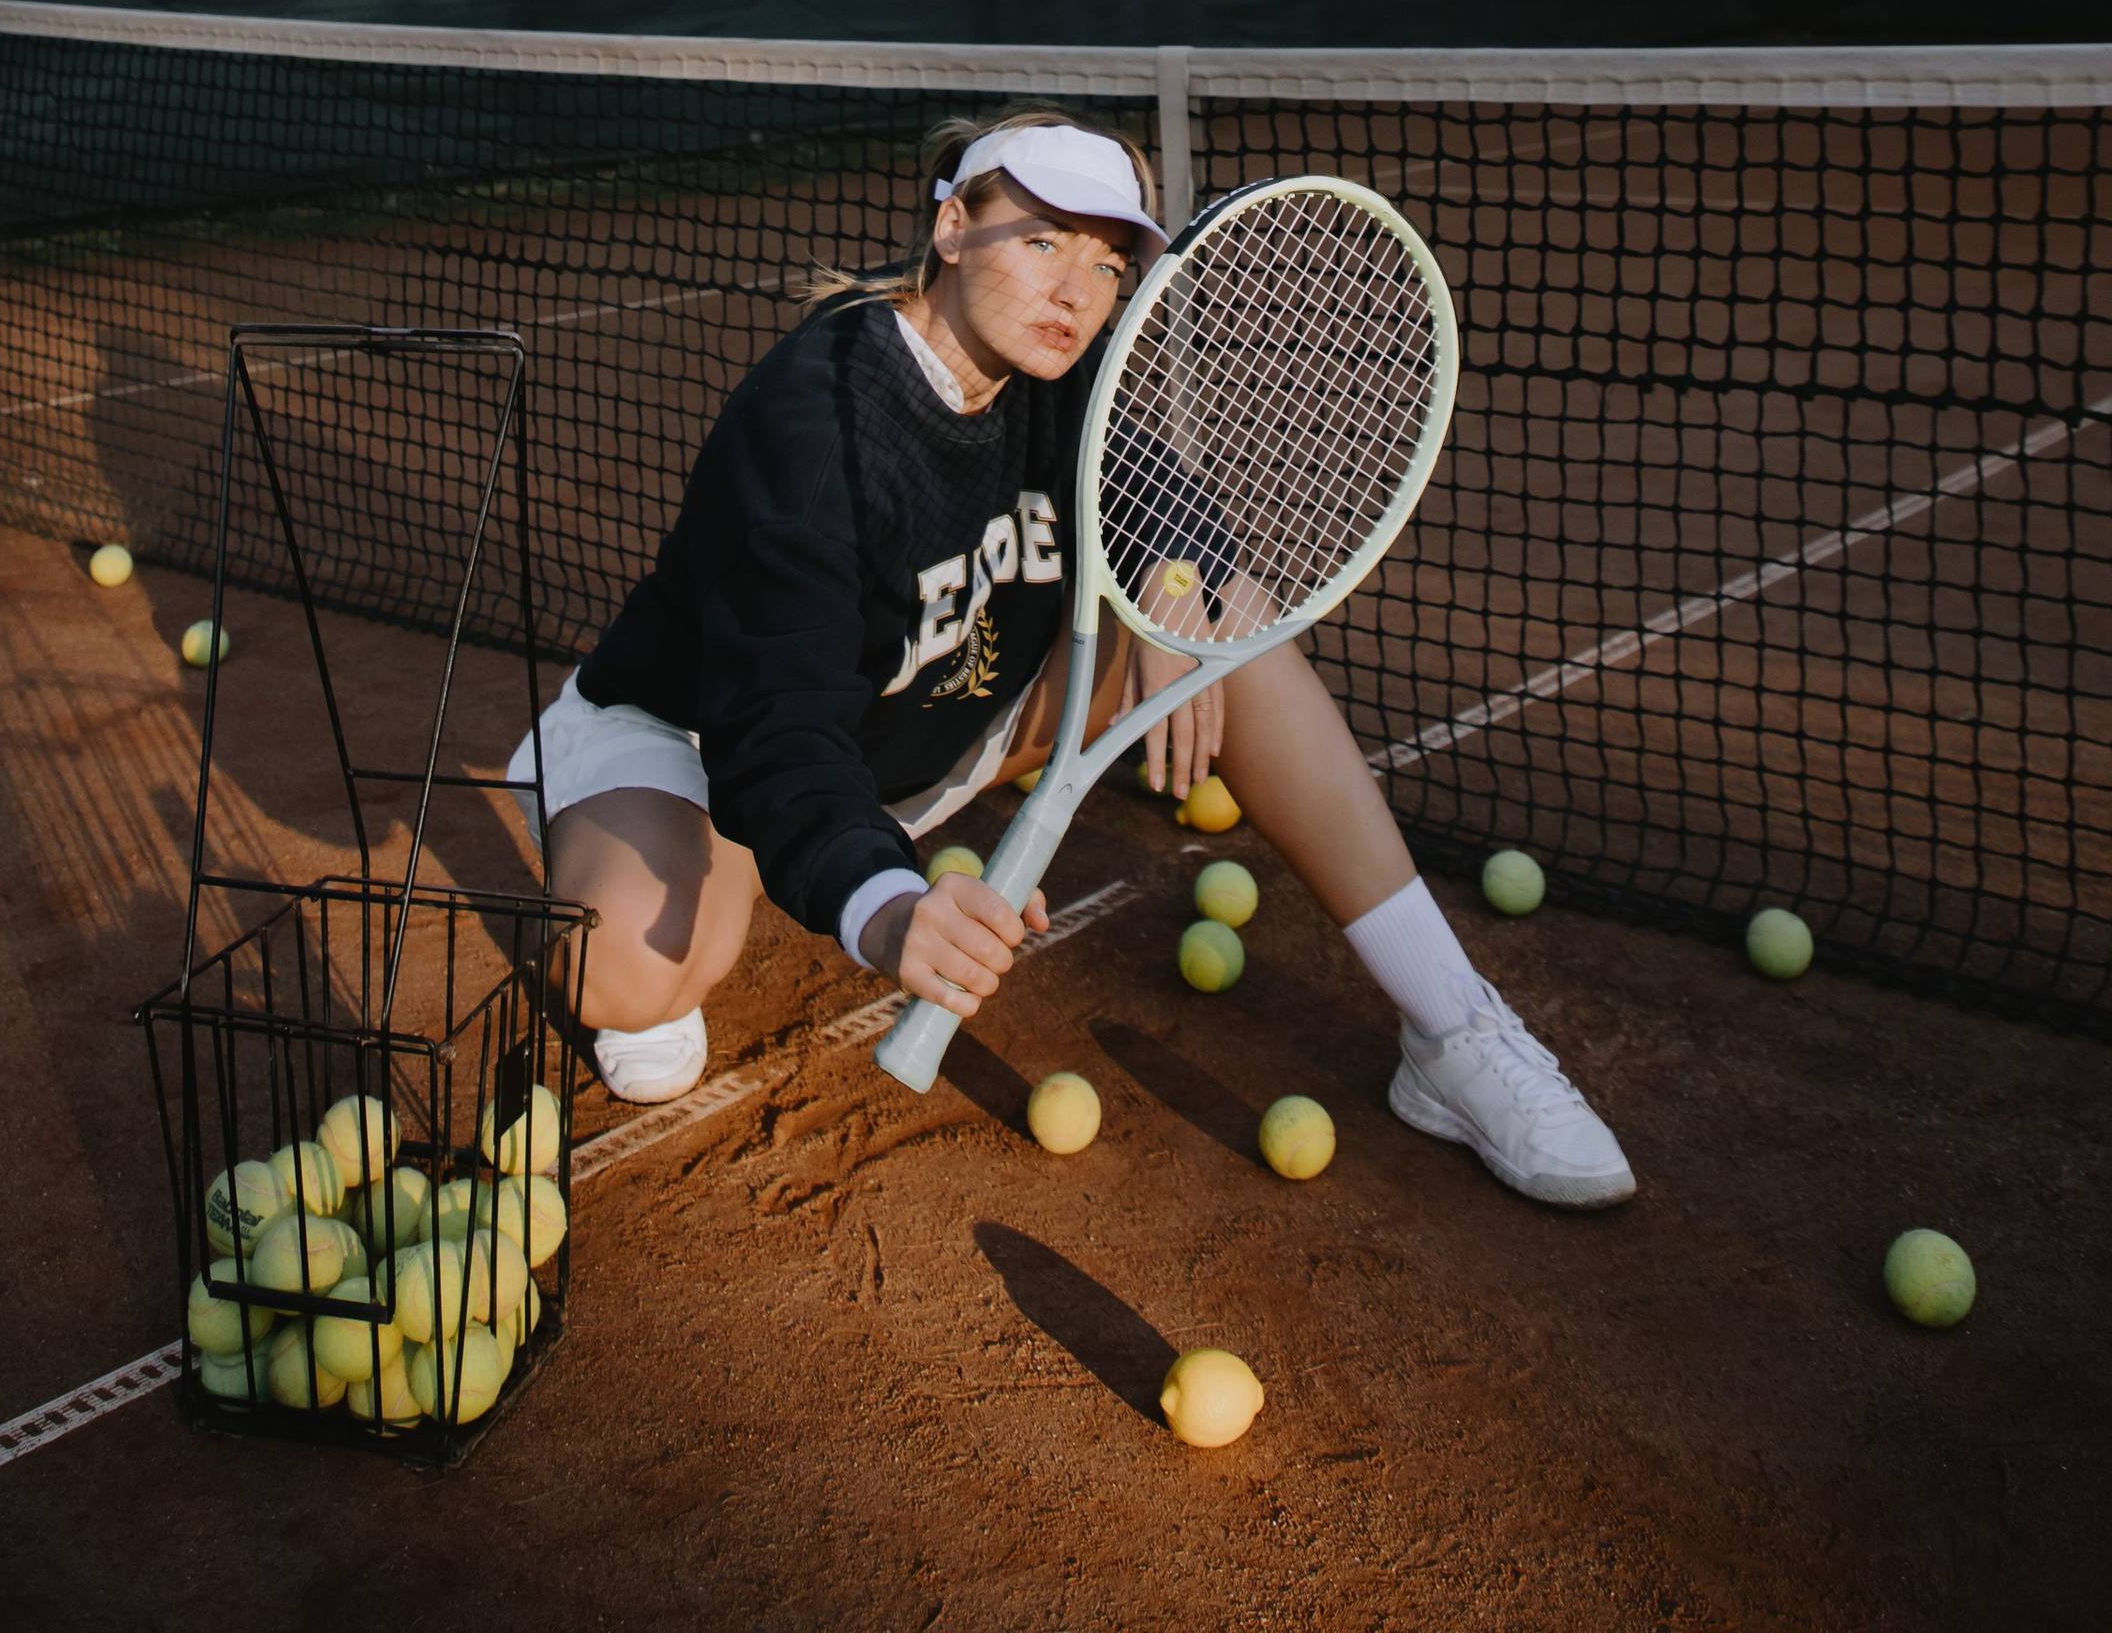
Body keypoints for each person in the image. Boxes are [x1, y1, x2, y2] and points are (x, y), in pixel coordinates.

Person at [506, 108, 1633, 1209]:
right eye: (1041, 239)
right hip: (715, 736)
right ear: (951, 225)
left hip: (938, 721)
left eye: (1104, 264)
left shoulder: (1057, 375)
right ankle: (653, 832)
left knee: (1228, 638)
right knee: (631, 970)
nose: (1073, 292)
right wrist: (886, 907)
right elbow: (776, 727)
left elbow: (1163, 502)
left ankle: (1451, 1026)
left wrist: (1176, 591)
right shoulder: (815, 427)